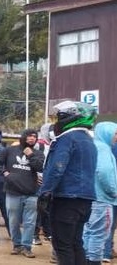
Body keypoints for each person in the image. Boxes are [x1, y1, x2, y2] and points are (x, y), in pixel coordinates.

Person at [39, 101, 97, 265]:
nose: (56, 121)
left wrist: (44, 193)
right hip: (85, 200)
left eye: (59, 117)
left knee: (62, 245)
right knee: (76, 243)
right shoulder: (89, 141)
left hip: (66, 199)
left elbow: (57, 168)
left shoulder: (66, 139)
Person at [0, 129, 44, 258]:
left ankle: (27, 247)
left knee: (30, 222)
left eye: (35, 136)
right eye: (29, 136)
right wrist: (4, 173)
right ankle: (17, 245)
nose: (32, 138)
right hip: (13, 192)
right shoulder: (10, 150)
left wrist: (30, 155)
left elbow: (40, 167)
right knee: (13, 221)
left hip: (32, 193)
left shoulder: (38, 153)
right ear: (23, 137)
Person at [83, 122, 117, 265]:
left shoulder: (92, 146)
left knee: (88, 232)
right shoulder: (103, 149)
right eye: (115, 133)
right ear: (107, 133)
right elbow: (104, 172)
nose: (116, 137)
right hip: (103, 199)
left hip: (90, 197)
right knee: (99, 234)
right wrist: (114, 191)